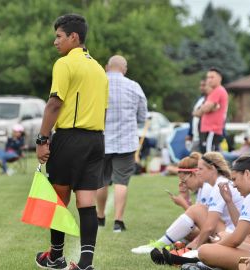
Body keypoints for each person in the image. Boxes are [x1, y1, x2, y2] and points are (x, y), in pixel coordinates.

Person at [34, 14, 108, 270]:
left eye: (59, 36)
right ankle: (86, 262)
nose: (55, 42)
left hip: (70, 138)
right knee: (86, 202)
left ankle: (55, 256)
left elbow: (55, 103)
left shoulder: (65, 64)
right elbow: (104, 110)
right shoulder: (99, 69)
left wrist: (42, 139)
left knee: (58, 198)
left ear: (73, 37)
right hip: (97, 140)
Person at [192, 157, 250, 270]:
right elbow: (245, 231)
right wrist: (229, 201)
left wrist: (211, 248)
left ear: (247, 174)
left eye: (235, 179)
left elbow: (236, 240)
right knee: (223, 236)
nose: (233, 185)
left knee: (205, 250)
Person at [96, 55, 147, 233]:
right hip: (126, 142)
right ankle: (118, 221)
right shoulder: (134, 86)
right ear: (124, 69)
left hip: (101, 140)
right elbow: (142, 116)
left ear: (106, 67)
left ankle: (100, 216)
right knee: (121, 182)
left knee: (101, 181)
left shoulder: (98, 83)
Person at [194, 68, 228, 153]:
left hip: (212, 129)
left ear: (220, 78)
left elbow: (204, 109)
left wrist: (205, 108)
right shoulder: (212, 93)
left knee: (209, 158)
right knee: (207, 155)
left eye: (212, 77)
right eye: (208, 77)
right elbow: (196, 113)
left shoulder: (218, 90)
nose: (209, 80)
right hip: (207, 130)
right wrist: (208, 107)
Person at [186, 80, 207, 152]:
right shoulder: (200, 99)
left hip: (203, 137)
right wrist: (190, 133)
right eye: (200, 85)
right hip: (195, 136)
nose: (201, 88)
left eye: (203, 85)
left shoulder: (210, 100)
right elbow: (193, 118)